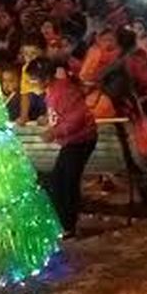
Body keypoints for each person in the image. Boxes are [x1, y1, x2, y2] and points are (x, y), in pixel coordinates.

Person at [41, 61, 99, 238]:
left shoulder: (62, 91)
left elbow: (76, 117)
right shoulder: (54, 91)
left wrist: (55, 131)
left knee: (66, 182)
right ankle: (64, 222)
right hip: (73, 140)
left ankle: (67, 224)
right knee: (61, 180)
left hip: (80, 140)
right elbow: (62, 114)